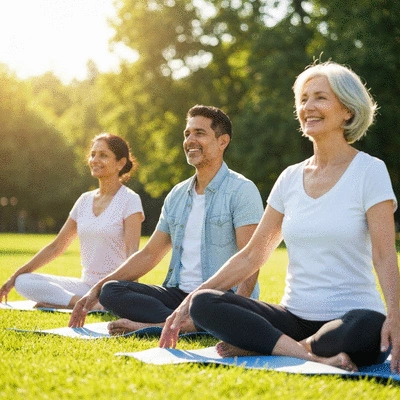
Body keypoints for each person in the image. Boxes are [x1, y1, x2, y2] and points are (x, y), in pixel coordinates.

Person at [160, 62, 400, 374]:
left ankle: (277, 346)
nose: (308, 107)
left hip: (349, 319)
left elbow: (384, 254)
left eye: (320, 98)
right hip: (291, 316)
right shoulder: (289, 177)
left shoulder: (370, 171)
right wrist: (188, 301)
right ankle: (307, 353)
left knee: (370, 326)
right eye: (303, 99)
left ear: (348, 111)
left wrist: (395, 313)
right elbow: (253, 254)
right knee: (205, 302)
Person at [68, 105, 264, 333]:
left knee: (204, 304)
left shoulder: (241, 190)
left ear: (223, 141)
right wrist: (97, 289)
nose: (190, 140)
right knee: (112, 291)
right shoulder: (178, 195)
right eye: (187, 134)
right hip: (177, 295)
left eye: (199, 133)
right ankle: (184, 324)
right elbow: (150, 253)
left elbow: (252, 260)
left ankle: (165, 325)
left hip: (218, 297)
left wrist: (237, 313)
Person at [0, 133, 144, 310]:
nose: (95, 160)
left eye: (103, 155)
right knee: (24, 281)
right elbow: (56, 246)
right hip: (85, 286)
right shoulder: (84, 200)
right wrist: (15, 276)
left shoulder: (130, 200)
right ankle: (83, 303)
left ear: (120, 163)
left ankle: (82, 302)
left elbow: (133, 253)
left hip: (112, 289)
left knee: (106, 293)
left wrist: (129, 296)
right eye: (93, 154)